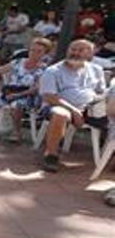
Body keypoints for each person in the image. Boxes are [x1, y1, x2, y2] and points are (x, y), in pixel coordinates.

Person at [39, 39, 107, 172]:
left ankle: (108, 153)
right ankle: (51, 155)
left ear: (90, 54)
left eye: (80, 50)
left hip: (90, 108)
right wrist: (74, 110)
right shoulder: (53, 71)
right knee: (60, 114)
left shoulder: (96, 69)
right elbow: (49, 96)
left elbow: (101, 92)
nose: (75, 53)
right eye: (72, 49)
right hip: (61, 106)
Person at [0, 37, 51, 142]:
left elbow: (36, 88)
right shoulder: (18, 62)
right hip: (11, 91)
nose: (34, 53)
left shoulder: (44, 69)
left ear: (45, 54)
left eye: (39, 51)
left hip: (28, 95)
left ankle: (17, 132)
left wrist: (18, 95)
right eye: (32, 50)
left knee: (16, 105)